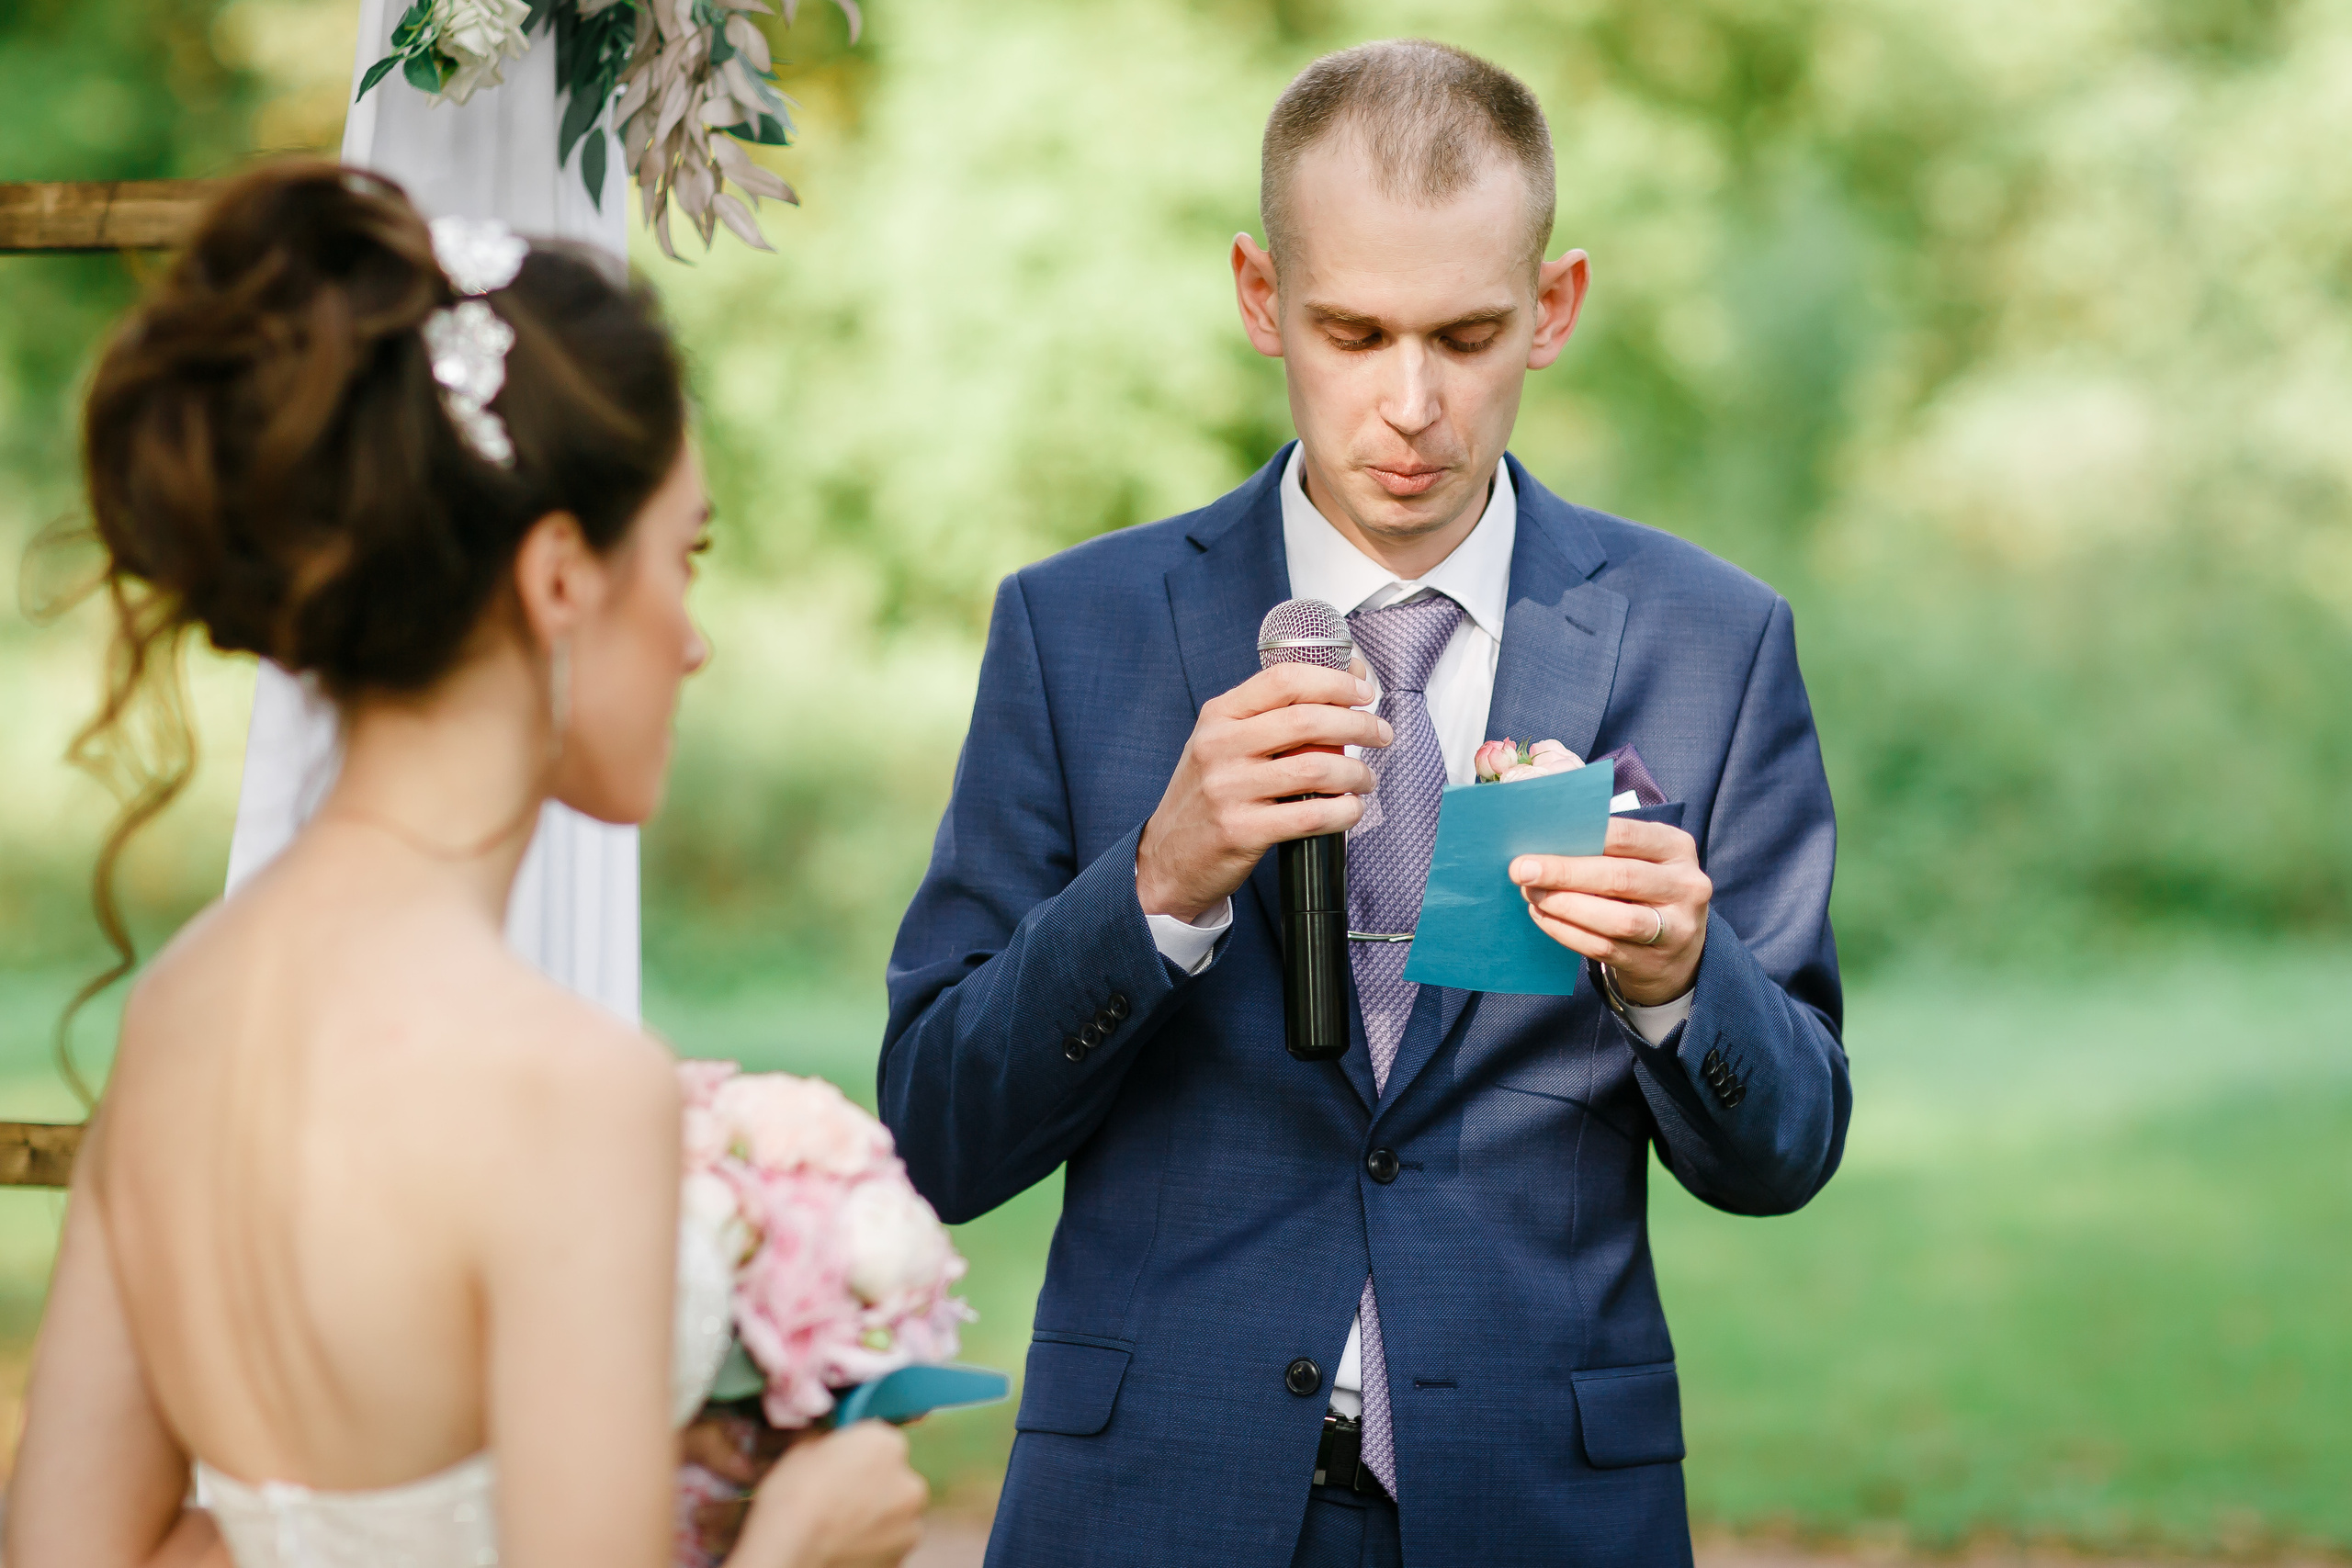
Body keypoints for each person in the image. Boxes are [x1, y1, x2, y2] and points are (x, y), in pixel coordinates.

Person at [880, 39, 1851, 1568]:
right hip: (1153, 1501)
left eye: (1467, 335)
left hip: (1541, 1506)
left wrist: (1679, 986)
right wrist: (1158, 885)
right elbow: (934, 1131)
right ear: (1265, 299)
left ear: (1554, 307)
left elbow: (1787, 1148)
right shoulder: (1078, 633)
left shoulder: (1708, 642)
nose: (1412, 405)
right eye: (1353, 332)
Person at [4, 164, 925, 1568]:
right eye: (687, 555)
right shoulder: (562, 1089)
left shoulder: (176, 1014)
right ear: (559, 575)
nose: (693, 638)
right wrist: (799, 1544)